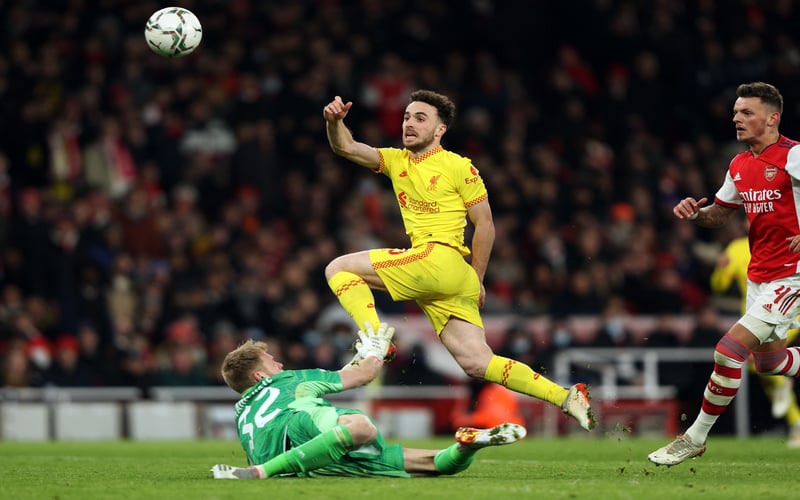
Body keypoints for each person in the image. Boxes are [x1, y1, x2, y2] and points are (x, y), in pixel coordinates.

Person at [321, 90, 595, 431]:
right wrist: (334, 122)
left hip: (439, 260)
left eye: (420, 118)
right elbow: (346, 147)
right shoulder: (395, 160)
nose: (409, 123)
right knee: (478, 362)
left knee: (338, 268)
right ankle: (566, 396)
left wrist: (478, 277)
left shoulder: (458, 166)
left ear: (440, 130)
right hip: (450, 278)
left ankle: (374, 337)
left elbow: (485, 225)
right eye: (407, 116)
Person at [649, 82, 800, 466]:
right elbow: (719, 214)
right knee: (769, 363)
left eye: (747, 112)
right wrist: (695, 214)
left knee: (729, 350)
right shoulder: (739, 164)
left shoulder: (794, 156)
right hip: (760, 275)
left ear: (772, 118)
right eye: (735, 112)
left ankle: (694, 437)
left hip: (792, 274)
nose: (737, 118)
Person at [210, 323, 527, 479]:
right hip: (299, 426)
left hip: (309, 463)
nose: (279, 364)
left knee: (434, 464)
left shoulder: (242, 412)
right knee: (361, 427)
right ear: (259, 375)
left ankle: (467, 445)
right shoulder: (288, 380)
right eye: (271, 361)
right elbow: (363, 375)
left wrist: (363, 356)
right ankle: (260, 472)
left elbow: (346, 373)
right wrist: (374, 352)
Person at [710, 230, 800, 448]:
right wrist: (721, 269)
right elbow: (719, 286)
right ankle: (784, 389)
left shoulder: (786, 239)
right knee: (762, 366)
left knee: (764, 361)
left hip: (789, 310)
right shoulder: (736, 248)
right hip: (754, 315)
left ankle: (794, 417)